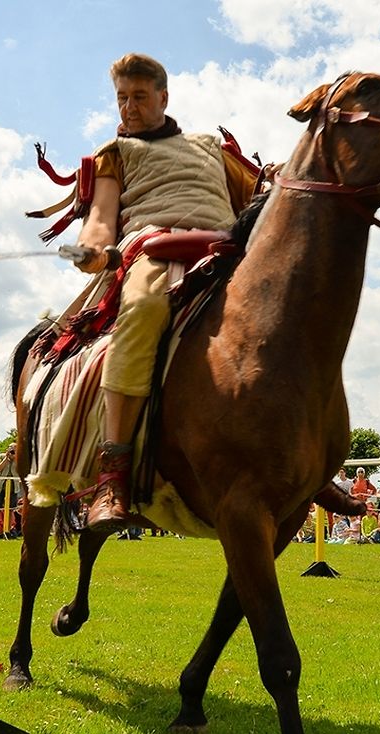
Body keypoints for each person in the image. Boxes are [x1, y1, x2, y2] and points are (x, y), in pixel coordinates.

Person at [74, 53, 258, 531]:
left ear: (163, 98)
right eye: (121, 98)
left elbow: (256, 198)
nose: (128, 107)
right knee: (141, 307)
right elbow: (101, 216)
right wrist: (93, 247)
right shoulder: (113, 151)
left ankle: (307, 458)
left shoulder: (210, 146)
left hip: (225, 249)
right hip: (155, 247)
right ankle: (113, 472)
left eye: (138, 97)